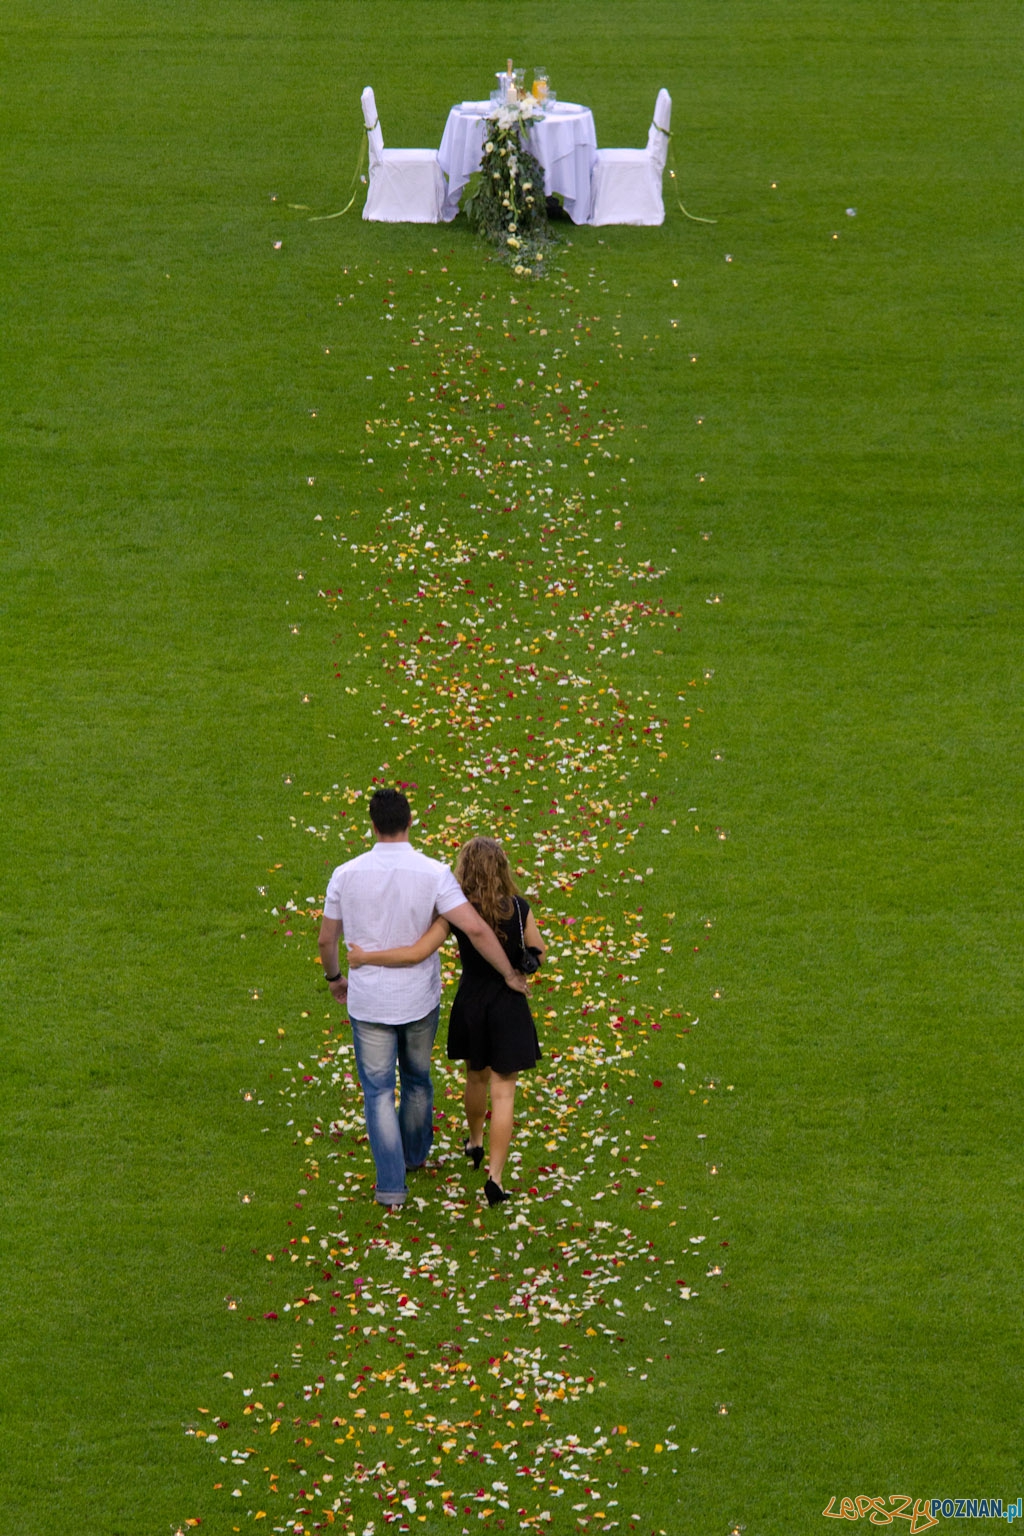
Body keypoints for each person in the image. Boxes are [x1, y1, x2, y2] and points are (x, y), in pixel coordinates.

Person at [317, 789, 528, 1211]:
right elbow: (477, 929)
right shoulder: (433, 873)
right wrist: (509, 973)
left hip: (369, 1001)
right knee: (416, 1079)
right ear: (410, 822)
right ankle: (414, 1155)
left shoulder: (345, 874)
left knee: (378, 1091)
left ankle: (391, 1186)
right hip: (417, 1000)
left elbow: (326, 939)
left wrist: (336, 978)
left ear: (372, 825)